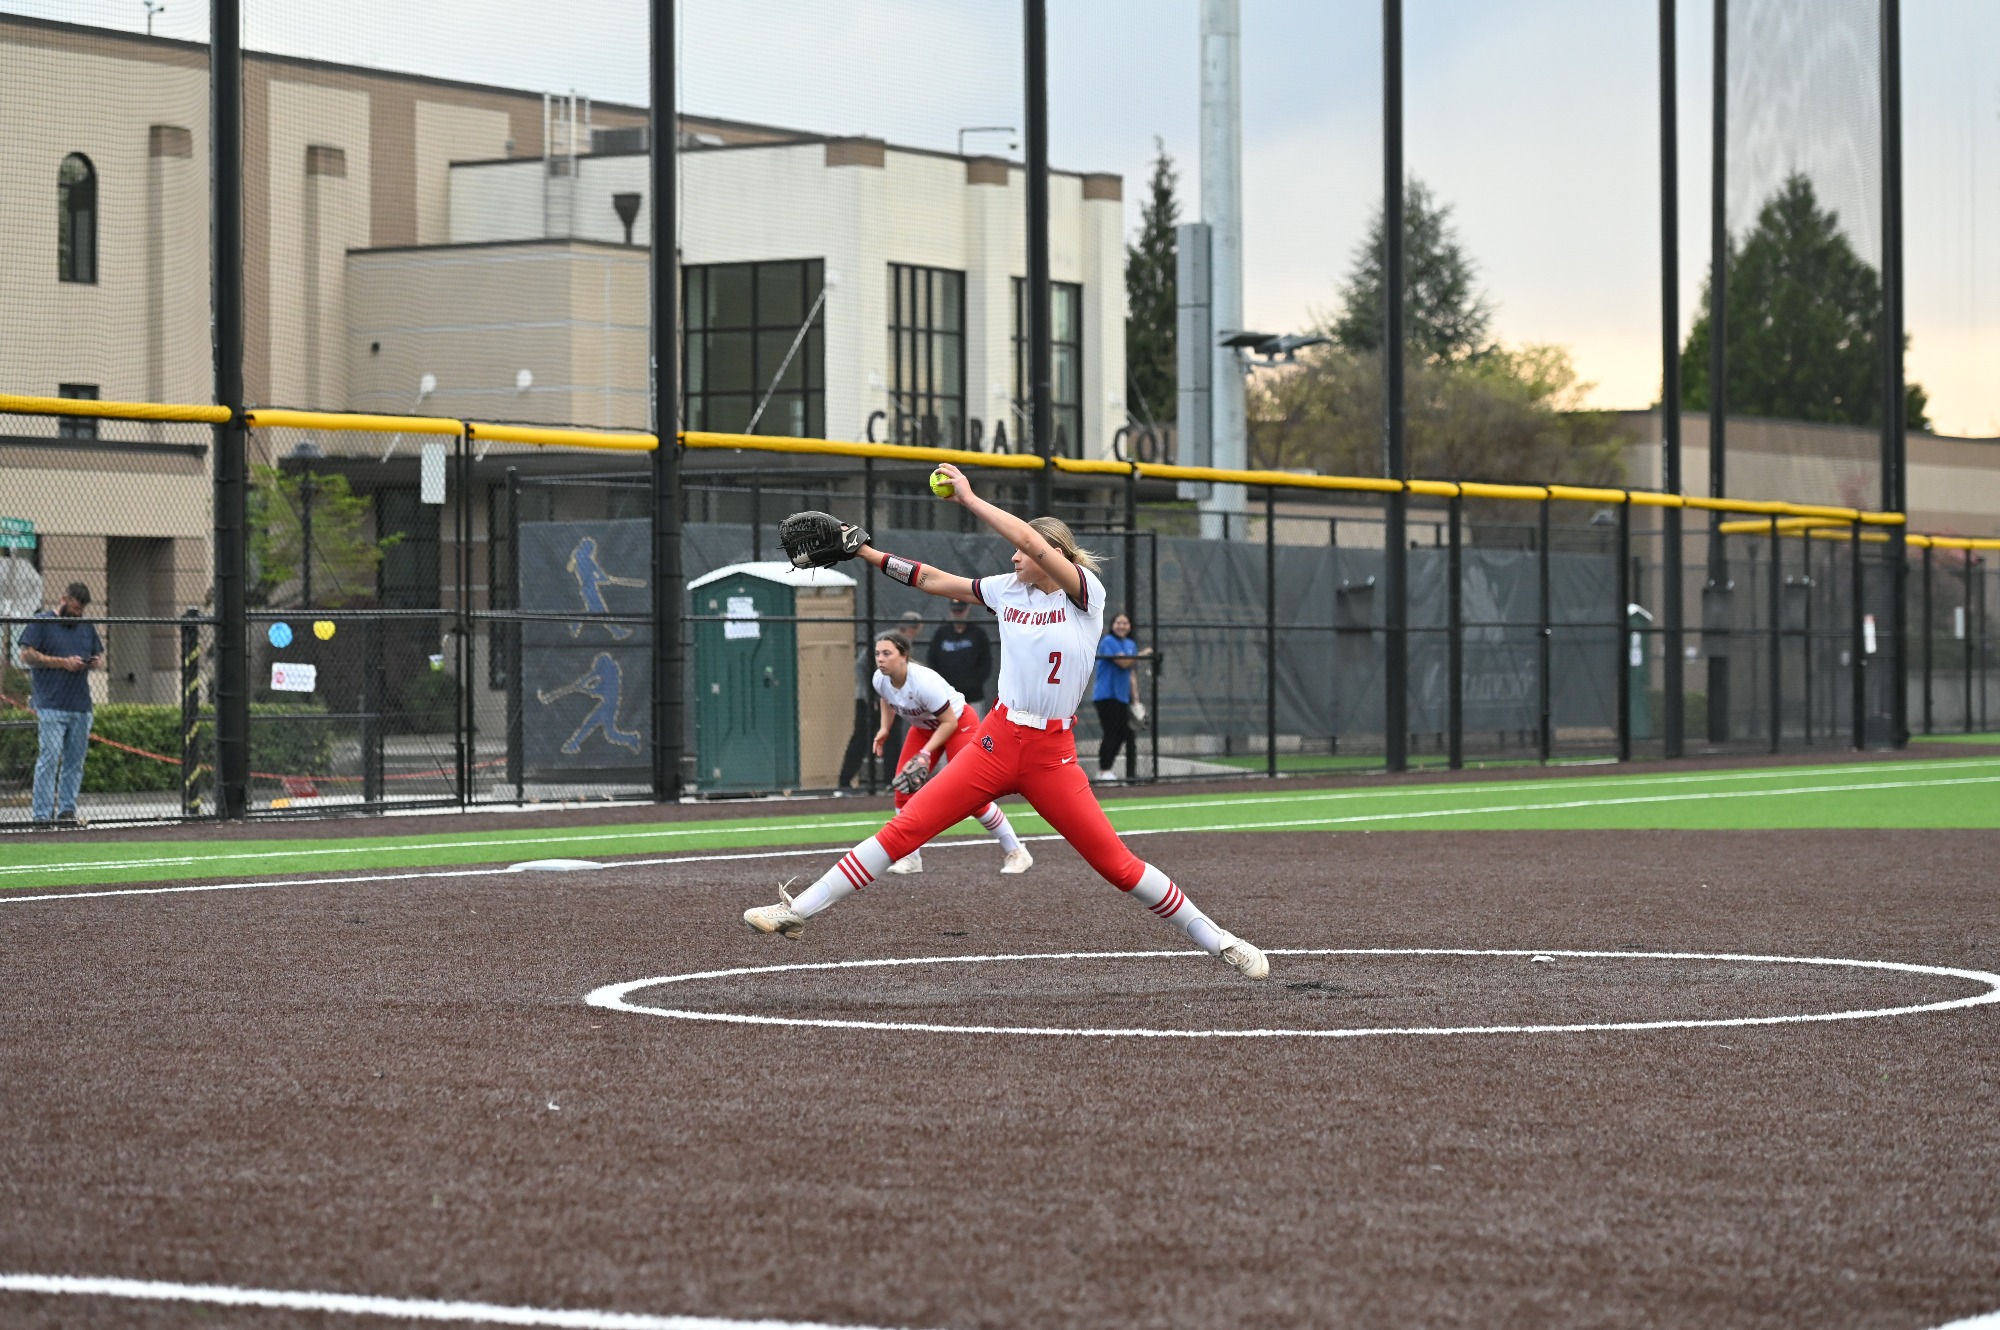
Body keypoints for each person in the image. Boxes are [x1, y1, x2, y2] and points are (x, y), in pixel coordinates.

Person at [747, 464, 1269, 981]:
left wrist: (970, 499)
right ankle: (798, 910)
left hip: (1051, 755)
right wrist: (866, 552)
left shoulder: (1086, 596)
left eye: (1023, 551)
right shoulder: (1007, 590)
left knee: (1117, 865)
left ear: (1053, 555)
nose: (1014, 556)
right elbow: (932, 579)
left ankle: (1220, 940)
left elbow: (1030, 541)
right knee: (906, 828)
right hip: (996, 740)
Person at [869, 632, 1032, 876]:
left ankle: (1017, 851)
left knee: (971, 795)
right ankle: (911, 858)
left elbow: (949, 722)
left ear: (904, 656)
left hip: (959, 725)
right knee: (904, 787)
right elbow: (887, 698)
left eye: (887, 653)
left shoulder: (923, 682)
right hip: (924, 728)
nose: (880, 659)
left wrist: (925, 754)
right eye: (877, 654)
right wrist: (885, 728)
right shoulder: (880, 679)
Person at [18, 582, 104, 828]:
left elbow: (99, 655)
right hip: (51, 703)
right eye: (74, 608)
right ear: (64, 599)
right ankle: (42, 815)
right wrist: (62, 662)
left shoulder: (85, 626)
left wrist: (92, 662)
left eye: (81, 610)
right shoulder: (42, 622)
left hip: (81, 705)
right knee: (50, 757)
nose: (77, 614)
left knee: (74, 762)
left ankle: (67, 810)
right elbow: (26, 655)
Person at [835, 611, 927, 791]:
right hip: (869, 699)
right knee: (861, 738)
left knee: (893, 739)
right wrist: (871, 696)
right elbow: (862, 667)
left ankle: (890, 781)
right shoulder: (885, 640)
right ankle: (844, 782)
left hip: (892, 700)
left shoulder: (904, 645)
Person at [1092, 612, 1151, 782]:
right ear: (1112, 625)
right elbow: (1123, 662)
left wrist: (1136, 700)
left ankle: (1107, 770)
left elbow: (1131, 673)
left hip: (1122, 697)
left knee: (1123, 733)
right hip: (1106, 695)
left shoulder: (1130, 644)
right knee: (1111, 732)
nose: (1121, 626)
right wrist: (1142, 654)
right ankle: (1103, 771)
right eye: (1118, 622)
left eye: (1125, 623)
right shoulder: (1108, 641)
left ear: (1130, 627)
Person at [926, 599, 993, 705]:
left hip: (973, 696)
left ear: (967, 610)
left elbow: (986, 662)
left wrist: (975, 683)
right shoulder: (941, 633)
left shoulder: (978, 633)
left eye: (960, 611)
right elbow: (932, 659)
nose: (957, 614)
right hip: (947, 696)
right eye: (955, 611)